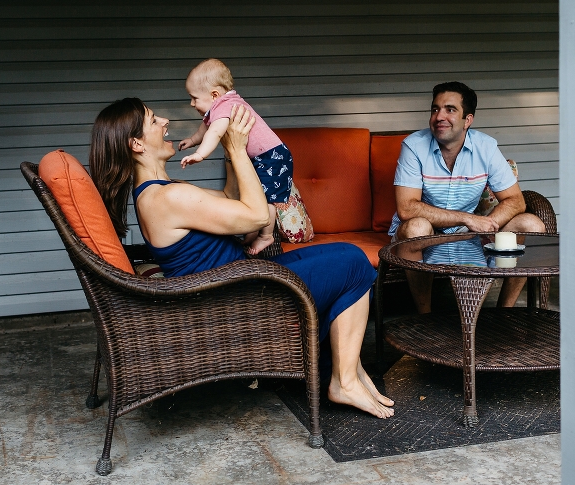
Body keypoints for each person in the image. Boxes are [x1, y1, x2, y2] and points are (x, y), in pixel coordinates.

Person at [88, 97, 394, 419]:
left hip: (243, 279)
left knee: (344, 253)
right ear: (136, 143)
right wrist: (235, 149)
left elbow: (232, 198)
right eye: (153, 120)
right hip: (242, 296)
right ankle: (343, 381)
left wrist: (229, 143)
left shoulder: (164, 190)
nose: (165, 121)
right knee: (355, 265)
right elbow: (257, 215)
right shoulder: (167, 197)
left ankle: (348, 370)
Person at [388, 81, 545, 313]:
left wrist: (488, 224)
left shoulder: (486, 147)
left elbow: (516, 200)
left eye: (450, 110)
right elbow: (407, 209)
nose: (439, 116)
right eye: (435, 109)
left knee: (531, 224)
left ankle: (504, 312)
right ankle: (425, 318)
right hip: (426, 231)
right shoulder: (413, 146)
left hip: (467, 234)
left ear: (467, 120)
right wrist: (466, 218)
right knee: (416, 228)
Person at [178, 58, 291, 255]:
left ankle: (266, 235)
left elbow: (215, 132)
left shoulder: (225, 106)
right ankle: (253, 230)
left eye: (194, 98)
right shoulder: (221, 105)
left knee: (265, 198)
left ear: (214, 95)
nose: (191, 103)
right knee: (253, 194)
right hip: (265, 156)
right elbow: (205, 127)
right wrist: (193, 140)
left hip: (273, 157)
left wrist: (200, 154)